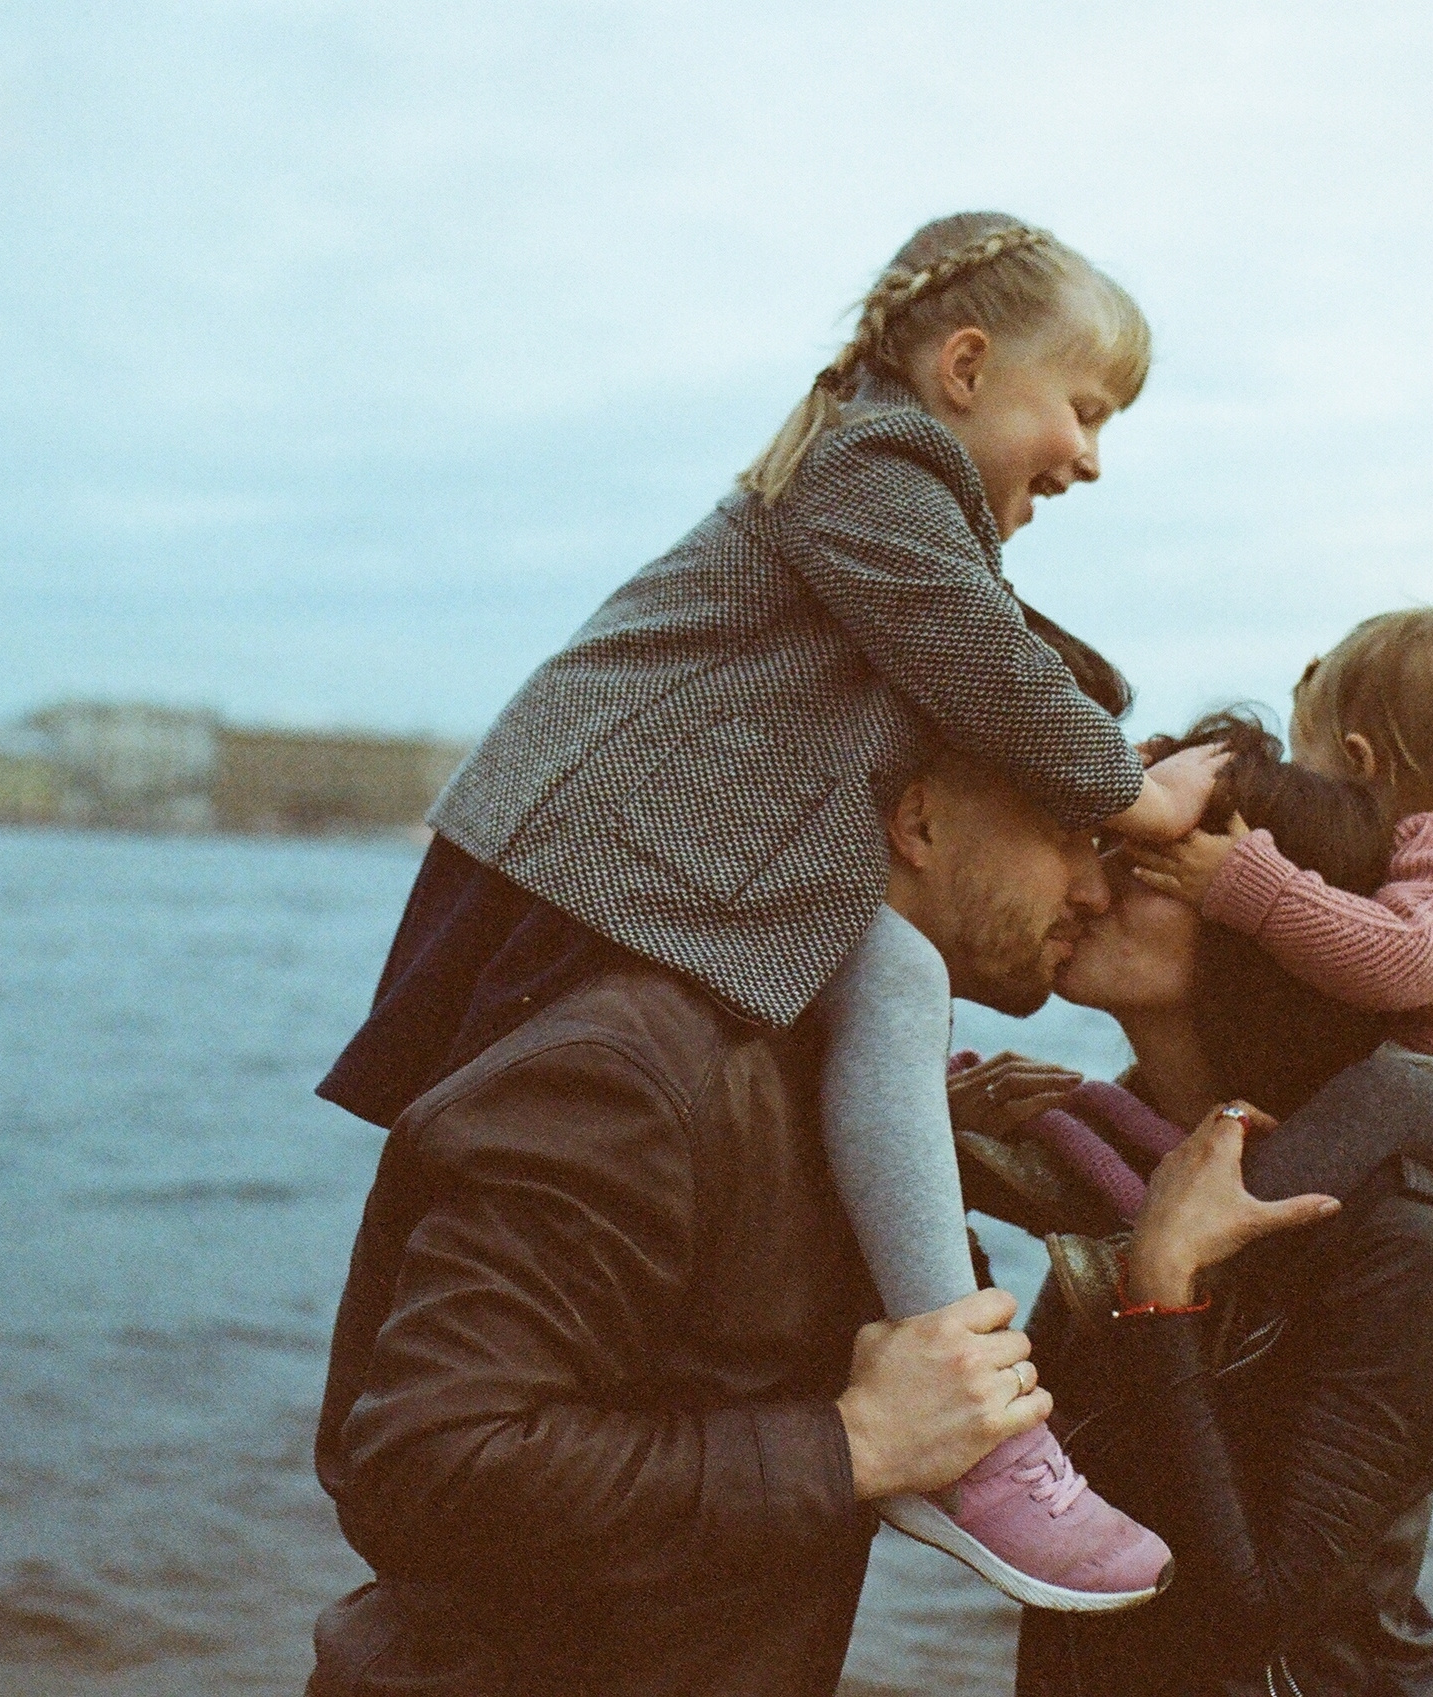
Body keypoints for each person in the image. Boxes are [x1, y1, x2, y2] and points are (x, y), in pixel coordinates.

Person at [323, 211, 1217, 1610]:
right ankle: (967, 1436)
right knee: (867, 1000)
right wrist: (1135, 793)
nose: (1093, 454)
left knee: (894, 997)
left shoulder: (878, 484)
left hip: (651, 865)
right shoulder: (879, 463)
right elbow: (986, 666)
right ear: (968, 366)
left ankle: (959, 1413)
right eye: (1086, 409)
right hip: (596, 858)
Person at [306, 745, 1127, 1694]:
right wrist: (853, 1444)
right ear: (920, 822)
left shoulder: (840, 1084)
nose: (1096, 888)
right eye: (1067, 835)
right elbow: (424, 1468)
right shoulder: (642, 1065)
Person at [950, 711, 1433, 1694]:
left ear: (1265, 923)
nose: (1089, 889)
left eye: (1143, 867)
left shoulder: (1397, 1241)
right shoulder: (1120, 1161)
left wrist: (1162, 1291)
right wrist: (942, 1177)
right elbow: (1037, 1472)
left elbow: (1254, 1611)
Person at [1130, 609, 1433, 1306]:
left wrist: (1242, 879)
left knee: (1385, 1091)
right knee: (1354, 1088)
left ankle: (1217, 1241)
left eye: (1309, 766)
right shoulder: (1428, 854)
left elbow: (1397, 959)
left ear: (1360, 763)